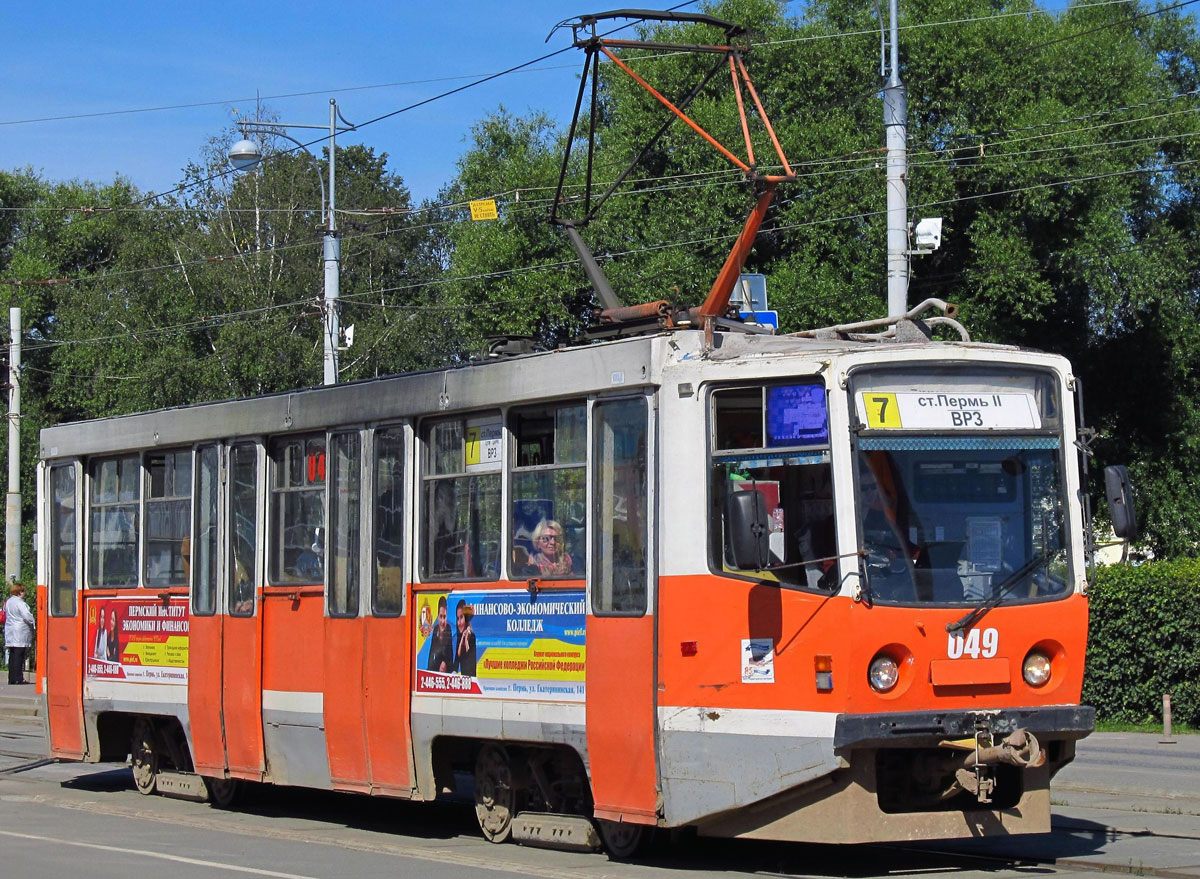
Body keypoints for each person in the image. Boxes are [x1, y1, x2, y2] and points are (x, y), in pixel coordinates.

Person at [4, 584, 36, 685]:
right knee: (19, 655)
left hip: (10, 630)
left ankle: (12, 678)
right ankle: (18, 678)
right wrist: (33, 621)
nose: (24, 593)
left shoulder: (8, 602)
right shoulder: (20, 603)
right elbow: (26, 615)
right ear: (19, 592)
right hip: (20, 630)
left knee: (13, 655)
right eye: (23, 591)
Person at [426, 596, 454, 672]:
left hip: (447, 665)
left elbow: (450, 655)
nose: (442, 621)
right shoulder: (435, 629)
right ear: (438, 616)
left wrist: (444, 663)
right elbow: (432, 652)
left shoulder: (448, 628)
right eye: (441, 616)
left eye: (444, 617)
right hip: (437, 665)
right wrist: (429, 670)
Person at [454, 600, 477, 677]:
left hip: (471, 681)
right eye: (457, 618)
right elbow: (457, 659)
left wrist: (466, 640)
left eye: (461, 617)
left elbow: (470, 666)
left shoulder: (472, 637)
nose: (459, 622)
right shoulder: (459, 637)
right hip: (463, 683)